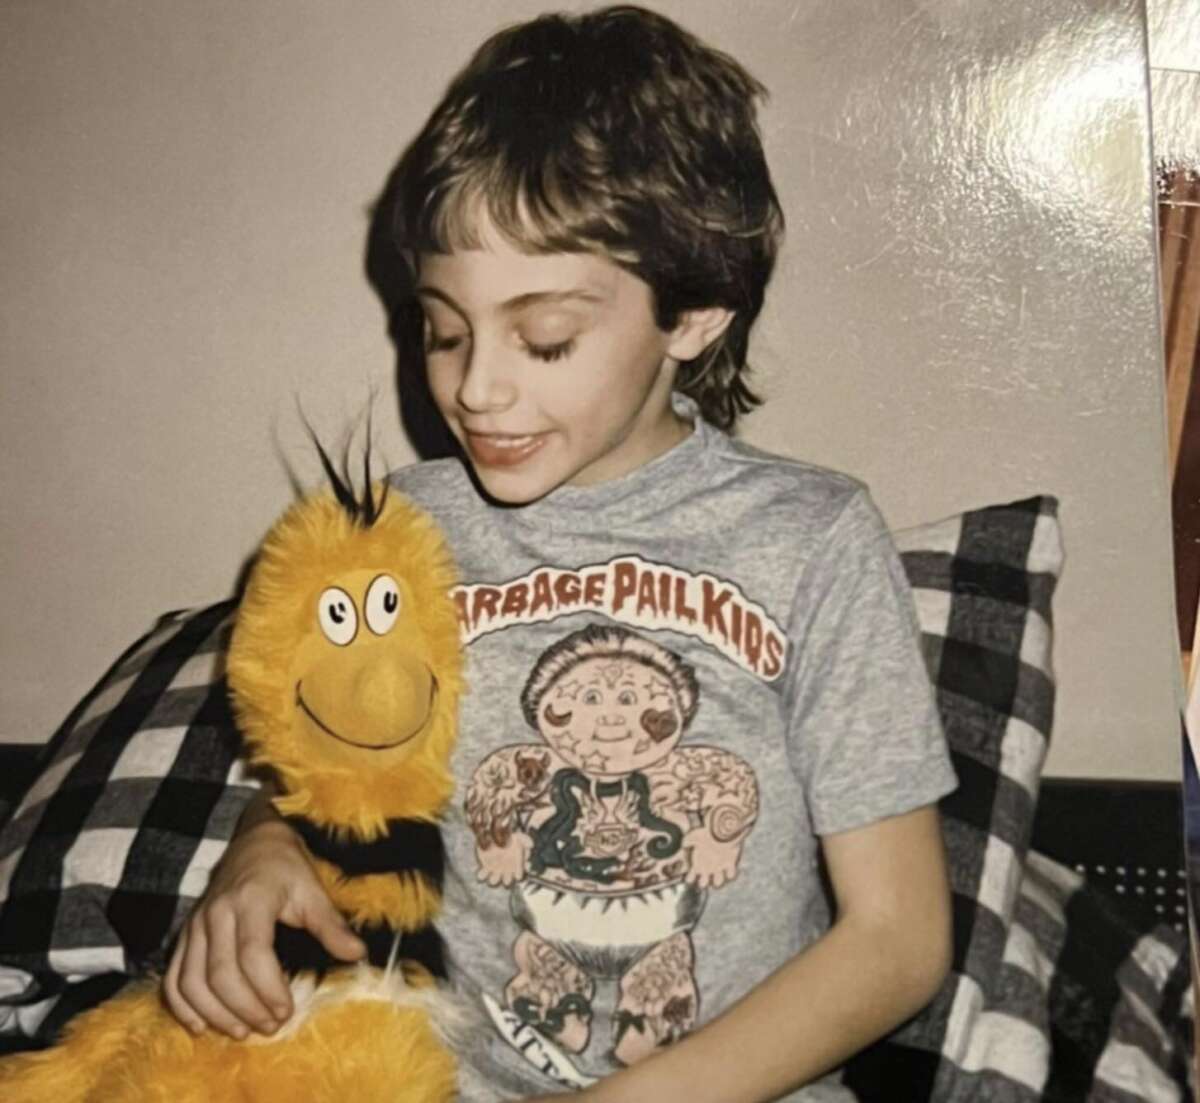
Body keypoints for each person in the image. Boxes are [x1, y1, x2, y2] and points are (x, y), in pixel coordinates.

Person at [163, 7, 958, 1100]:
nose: (476, 386)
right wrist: (263, 850)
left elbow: (900, 940)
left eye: (544, 338)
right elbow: (334, 782)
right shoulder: (396, 531)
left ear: (695, 312)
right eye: (443, 329)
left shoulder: (811, 538)